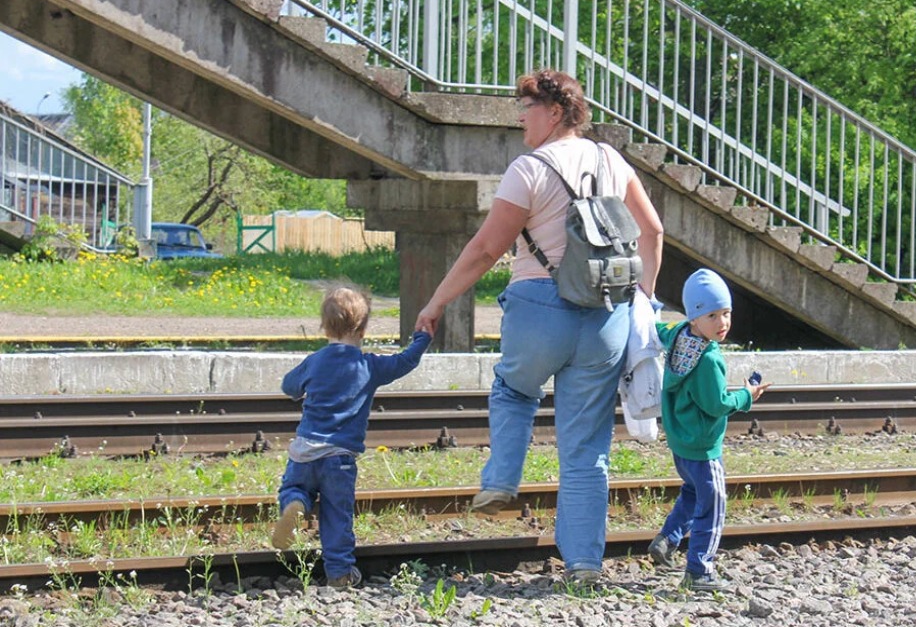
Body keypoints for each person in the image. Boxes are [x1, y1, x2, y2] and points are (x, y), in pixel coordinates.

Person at [414, 69, 664, 585]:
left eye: (526, 106)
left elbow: (486, 249)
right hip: (606, 318)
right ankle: (584, 565)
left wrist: (436, 302)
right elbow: (652, 231)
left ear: (555, 112)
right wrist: (644, 300)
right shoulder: (611, 160)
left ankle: (502, 480)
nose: (519, 117)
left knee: (513, 389)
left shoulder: (528, 169)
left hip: (539, 309)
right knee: (586, 449)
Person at [273, 285, 432, 588]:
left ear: (324, 326)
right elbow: (406, 361)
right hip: (340, 460)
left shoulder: (315, 361)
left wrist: (302, 390)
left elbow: (288, 386)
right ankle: (340, 573)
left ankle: (295, 504)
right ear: (362, 328)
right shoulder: (369, 365)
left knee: (293, 488)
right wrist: (422, 338)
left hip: (304, 451)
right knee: (337, 516)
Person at [647, 268, 770, 591]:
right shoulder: (709, 359)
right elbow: (716, 403)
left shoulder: (678, 335)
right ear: (695, 317)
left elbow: (658, 330)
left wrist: (647, 313)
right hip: (703, 446)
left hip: (680, 441)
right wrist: (747, 395)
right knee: (713, 502)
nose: (722, 323)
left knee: (692, 491)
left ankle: (667, 539)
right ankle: (699, 570)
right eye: (712, 315)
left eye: (726, 313)